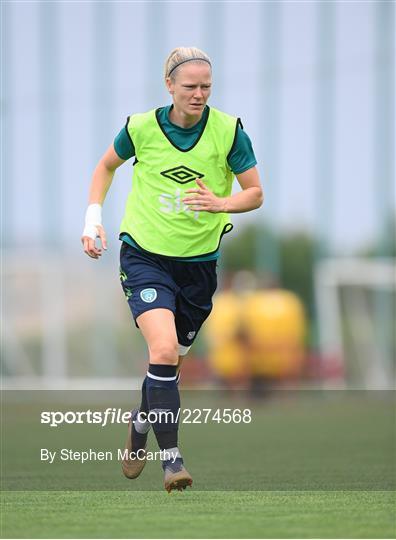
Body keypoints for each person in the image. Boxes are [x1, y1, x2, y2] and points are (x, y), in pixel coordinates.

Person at [81, 46, 263, 492]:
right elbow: (106, 166)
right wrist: (92, 218)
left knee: (169, 365)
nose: (199, 94)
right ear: (169, 86)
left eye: (206, 87)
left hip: (199, 268)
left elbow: (255, 193)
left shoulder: (228, 131)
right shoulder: (140, 127)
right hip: (144, 256)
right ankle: (172, 461)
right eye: (190, 86)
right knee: (162, 351)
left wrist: (223, 203)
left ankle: (139, 427)